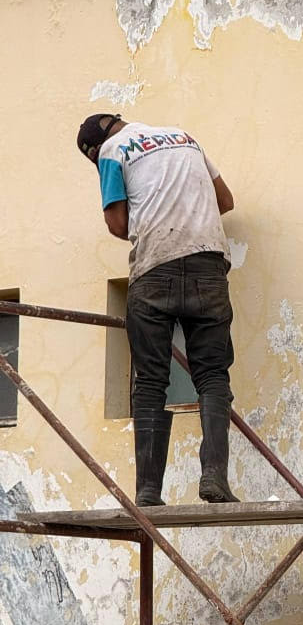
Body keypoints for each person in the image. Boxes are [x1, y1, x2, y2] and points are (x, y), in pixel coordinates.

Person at [76, 114, 240, 506]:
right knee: (213, 376)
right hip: (208, 264)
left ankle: (148, 491)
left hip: (155, 269)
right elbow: (226, 201)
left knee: (150, 381)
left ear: (93, 151)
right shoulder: (186, 136)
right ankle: (215, 477)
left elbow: (117, 223)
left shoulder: (112, 153)